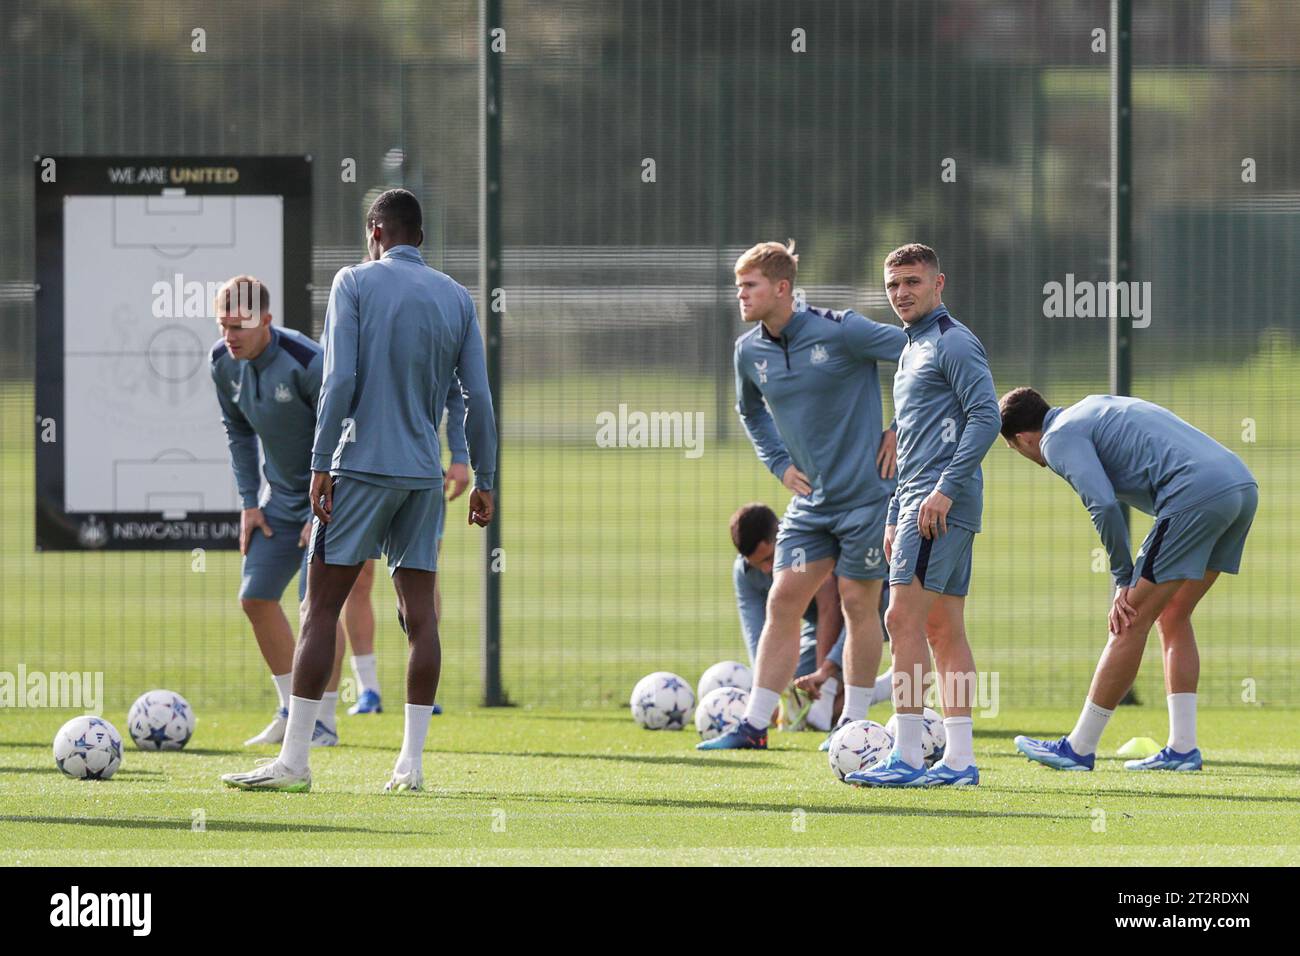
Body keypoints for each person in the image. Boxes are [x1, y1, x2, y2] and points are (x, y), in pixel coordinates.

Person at [221, 188, 497, 793]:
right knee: (421, 619)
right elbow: (476, 395)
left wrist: (321, 462)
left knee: (320, 608)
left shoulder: (353, 281)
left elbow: (340, 376)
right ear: (418, 237)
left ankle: (295, 763)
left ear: (376, 231)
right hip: (424, 478)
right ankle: (411, 765)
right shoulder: (457, 296)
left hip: (361, 469)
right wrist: (483, 477)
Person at [700, 240, 906, 751]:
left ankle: (855, 727)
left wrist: (900, 428)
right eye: (738, 287)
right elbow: (750, 412)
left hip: (865, 498)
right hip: (811, 506)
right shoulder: (748, 352)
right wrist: (779, 463)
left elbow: (920, 354)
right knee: (783, 598)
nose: (741, 296)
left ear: (782, 288)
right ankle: (754, 727)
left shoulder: (843, 330)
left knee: (860, 604)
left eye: (750, 286)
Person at [1000, 388, 1257, 772]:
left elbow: (1102, 503)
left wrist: (1123, 577)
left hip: (1195, 493)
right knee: (1172, 614)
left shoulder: (1055, 440)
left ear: (1022, 439)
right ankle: (1183, 749)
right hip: (1240, 486)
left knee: (1129, 618)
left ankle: (1078, 748)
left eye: (1016, 450)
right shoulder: (1087, 407)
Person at [846, 243, 999, 788]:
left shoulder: (954, 342)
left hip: (938, 506)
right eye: (892, 285)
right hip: (914, 502)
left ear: (939, 283)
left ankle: (908, 755)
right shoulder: (910, 350)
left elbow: (986, 416)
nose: (901, 293)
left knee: (900, 620)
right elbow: (909, 442)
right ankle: (959, 761)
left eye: (912, 282)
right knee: (942, 628)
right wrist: (893, 511)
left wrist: (944, 491)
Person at [208, 275, 347, 748]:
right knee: (255, 598)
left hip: (331, 498)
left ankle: (323, 721)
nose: (230, 336)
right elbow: (237, 432)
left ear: (266, 320)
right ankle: (292, 711)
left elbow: (346, 433)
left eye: (240, 326)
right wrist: (249, 502)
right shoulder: (220, 363)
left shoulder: (307, 361)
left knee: (318, 608)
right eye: (223, 325)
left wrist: (322, 506)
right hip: (278, 503)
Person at [346, 383, 472, 718]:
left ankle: (422, 692)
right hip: (362, 473)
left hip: (423, 472)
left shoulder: (434, 331)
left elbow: (458, 393)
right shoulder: (356, 329)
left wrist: (460, 456)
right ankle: (367, 690)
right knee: (357, 579)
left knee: (422, 581)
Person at [729, 503, 893, 734]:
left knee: (821, 702)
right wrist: (771, 691)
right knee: (800, 696)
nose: (766, 569)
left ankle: (877, 689)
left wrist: (825, 675)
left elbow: (832, 610)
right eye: (758, 564)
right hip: (819, 627)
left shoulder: (804, 546)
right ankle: (885, 688)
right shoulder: (743, 574)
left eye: (770, 558)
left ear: (780, 535)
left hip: (873, 609)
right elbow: (756, 632)